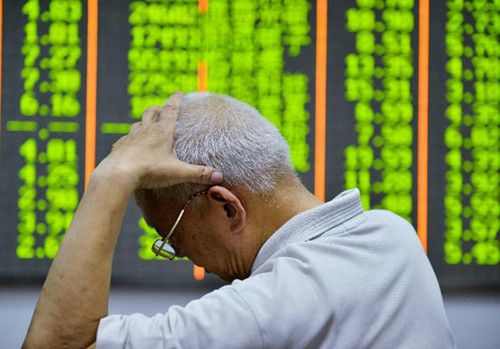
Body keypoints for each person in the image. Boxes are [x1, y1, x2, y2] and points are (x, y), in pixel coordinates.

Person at [23, 92, 455, 348]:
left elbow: (58, 345)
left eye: (170, 237)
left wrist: (109, 180)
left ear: (227, 206)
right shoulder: (391, 234)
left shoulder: (263, 310)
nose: (182, 254)